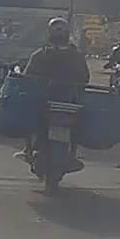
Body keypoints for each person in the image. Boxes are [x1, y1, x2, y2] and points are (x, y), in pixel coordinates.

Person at [15, 17, 90, 172]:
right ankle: (70, 153)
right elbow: (85, 78)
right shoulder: (76, 56)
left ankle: (28, 149)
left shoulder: (40, 55)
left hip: (48, 101)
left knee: (27, 114)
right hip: (67, 102)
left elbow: (27, 77)